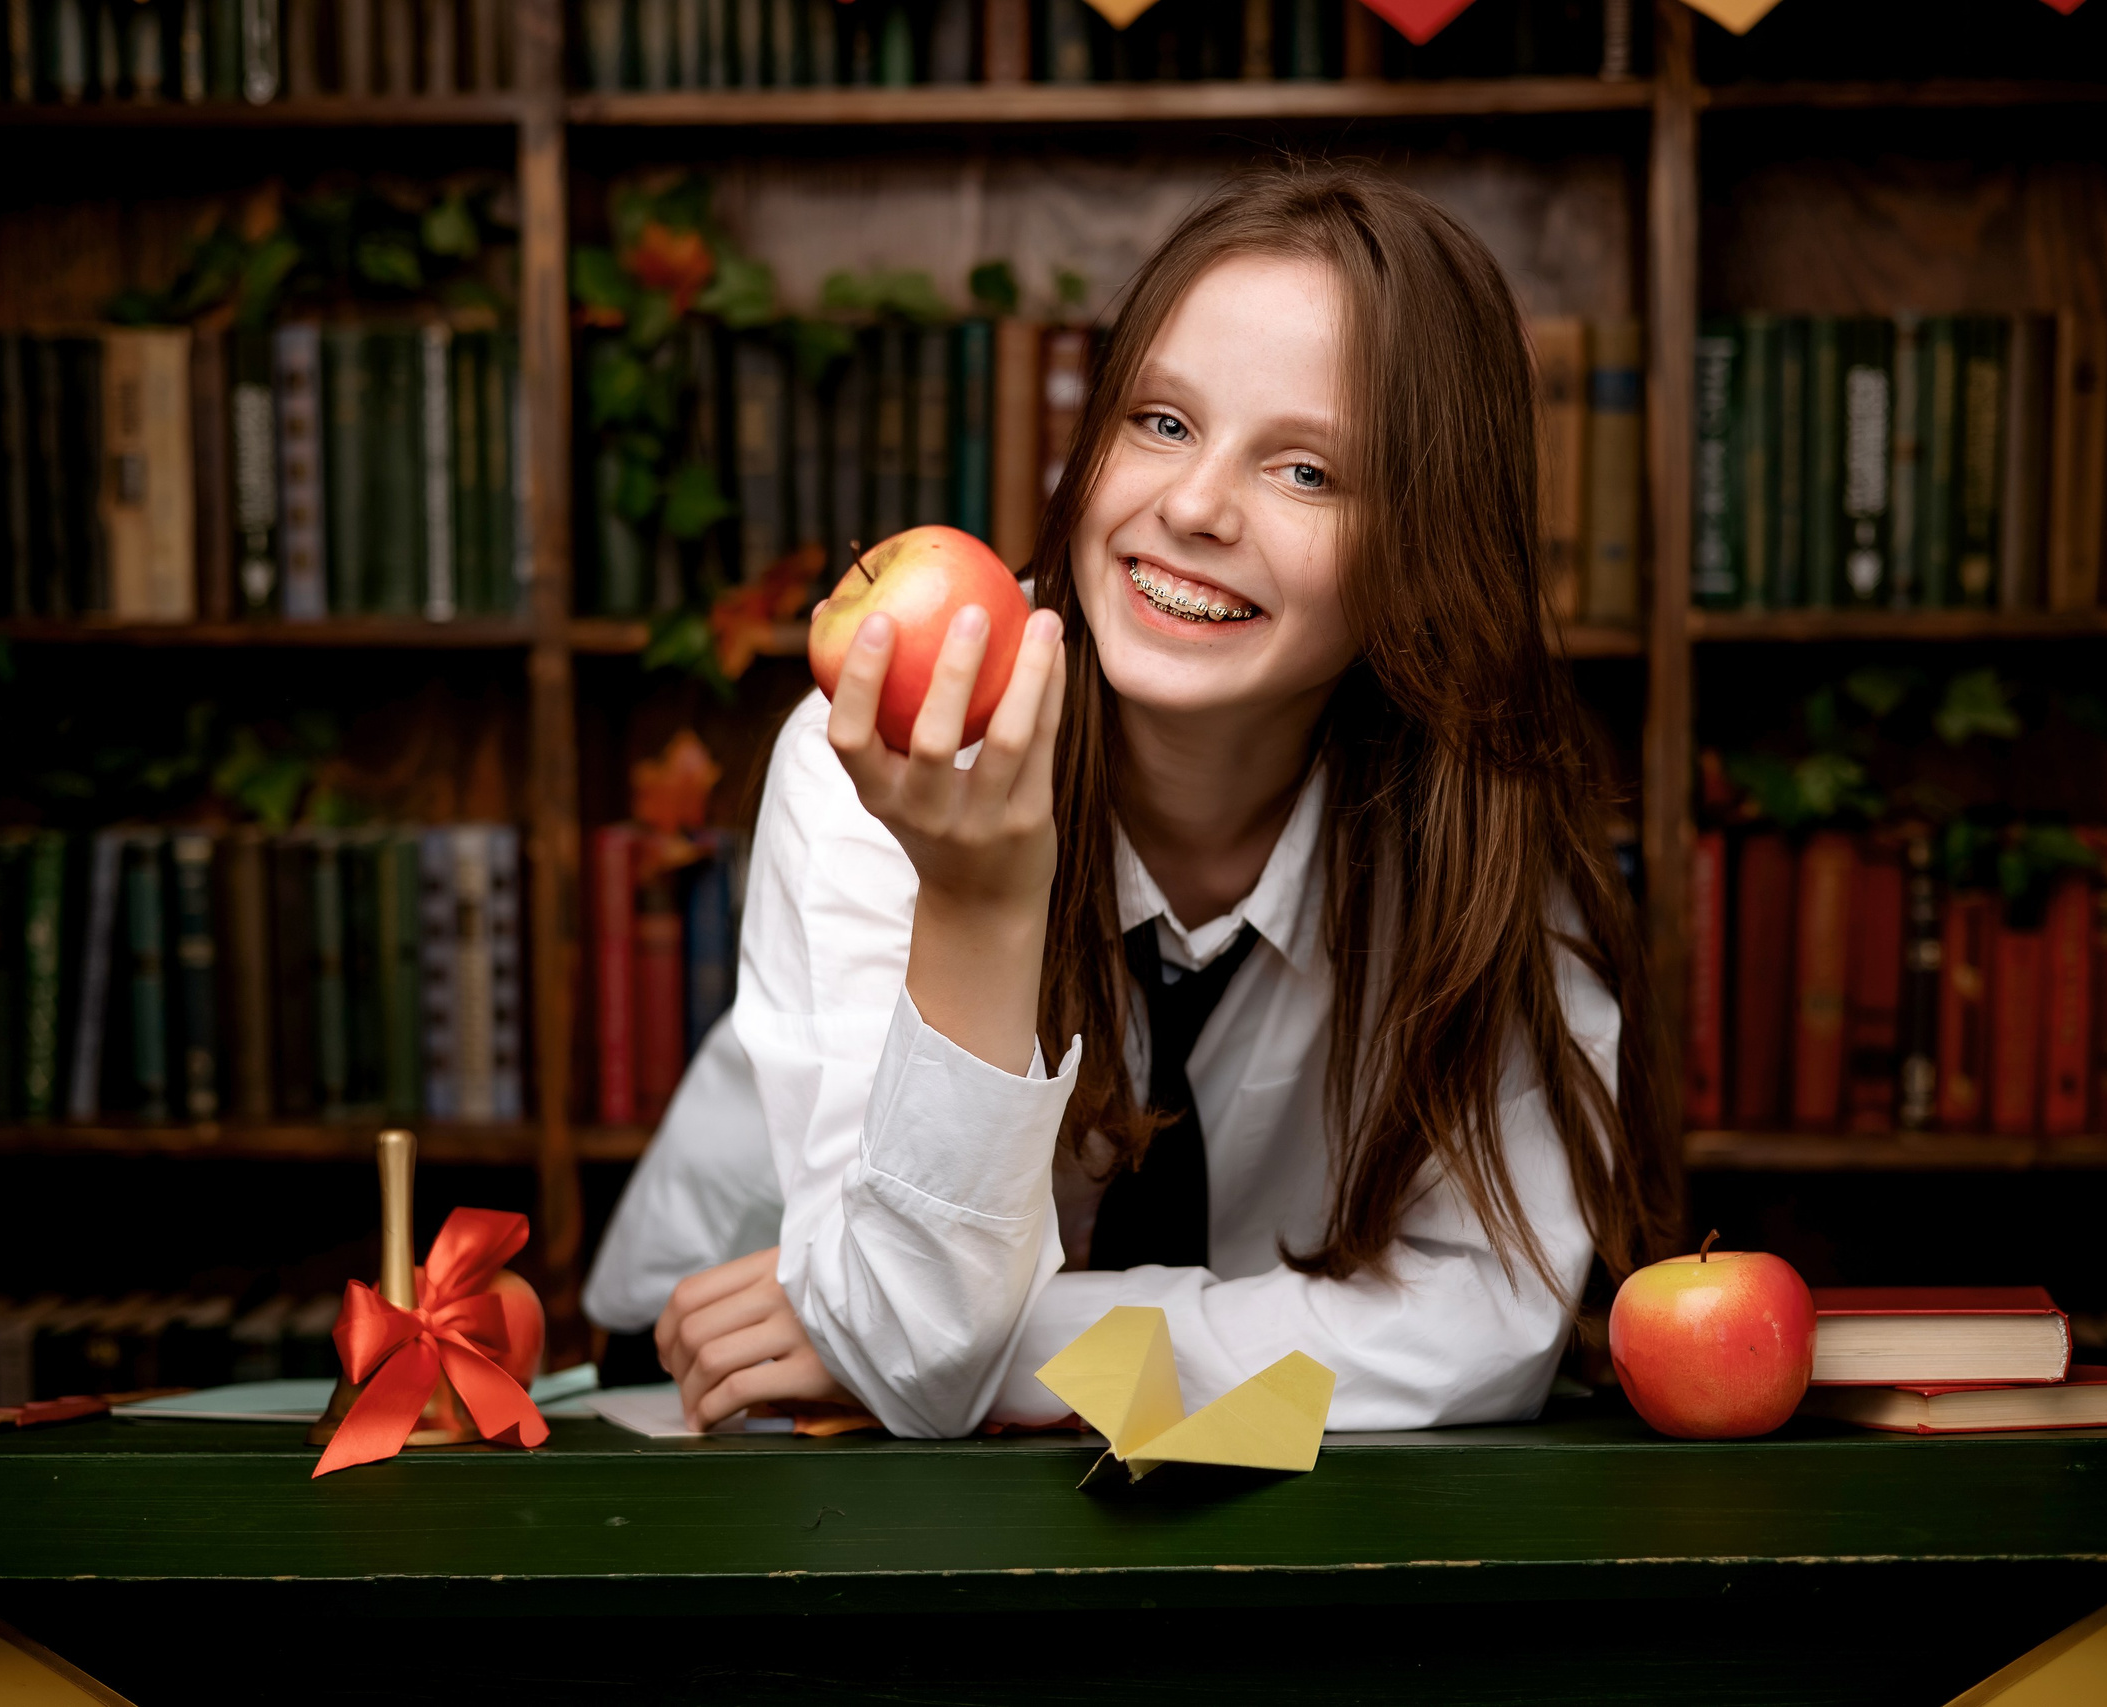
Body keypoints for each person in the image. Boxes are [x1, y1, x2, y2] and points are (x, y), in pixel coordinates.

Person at [582, 162, 1681, 1437]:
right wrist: (981, 902)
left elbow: (1483, 1329)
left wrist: (1035, 1335)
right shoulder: (886, 752)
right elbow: (905, 1361)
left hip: (958, 1381)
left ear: (1423, 550)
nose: (1193, 508)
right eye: (1161, 422)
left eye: (1308, 472)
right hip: (725, 1380)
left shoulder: (1473, 822)